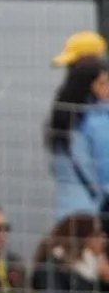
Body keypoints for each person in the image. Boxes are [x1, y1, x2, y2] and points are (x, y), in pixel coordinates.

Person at [45, 57, 109, 222]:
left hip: (66, 209)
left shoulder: (62, 120)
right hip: (94, 212)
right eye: (103, 83)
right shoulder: (98, 121)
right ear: (88, 87)